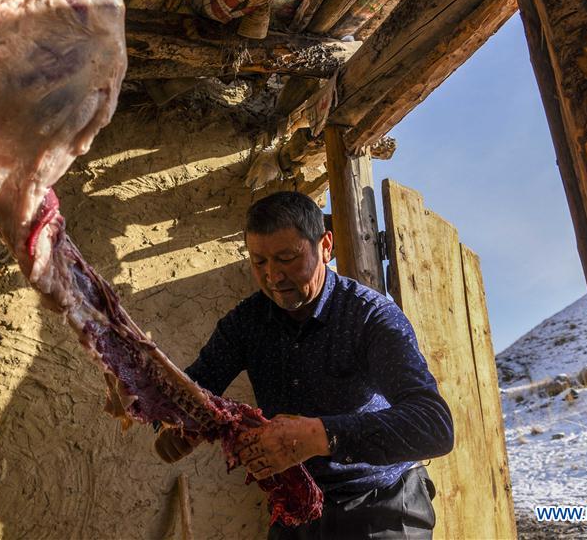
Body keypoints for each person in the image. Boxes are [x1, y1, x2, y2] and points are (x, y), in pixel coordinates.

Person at [154, 191, 454, 539]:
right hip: (295, 508)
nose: (273, 276)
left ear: (325, 246)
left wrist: (318, 436)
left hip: (383, 506)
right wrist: (172, 426)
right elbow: (193, 389)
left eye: (287, 257)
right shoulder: (245, 324)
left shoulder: (371, 317)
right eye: (259, 262)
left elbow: (434, 426)